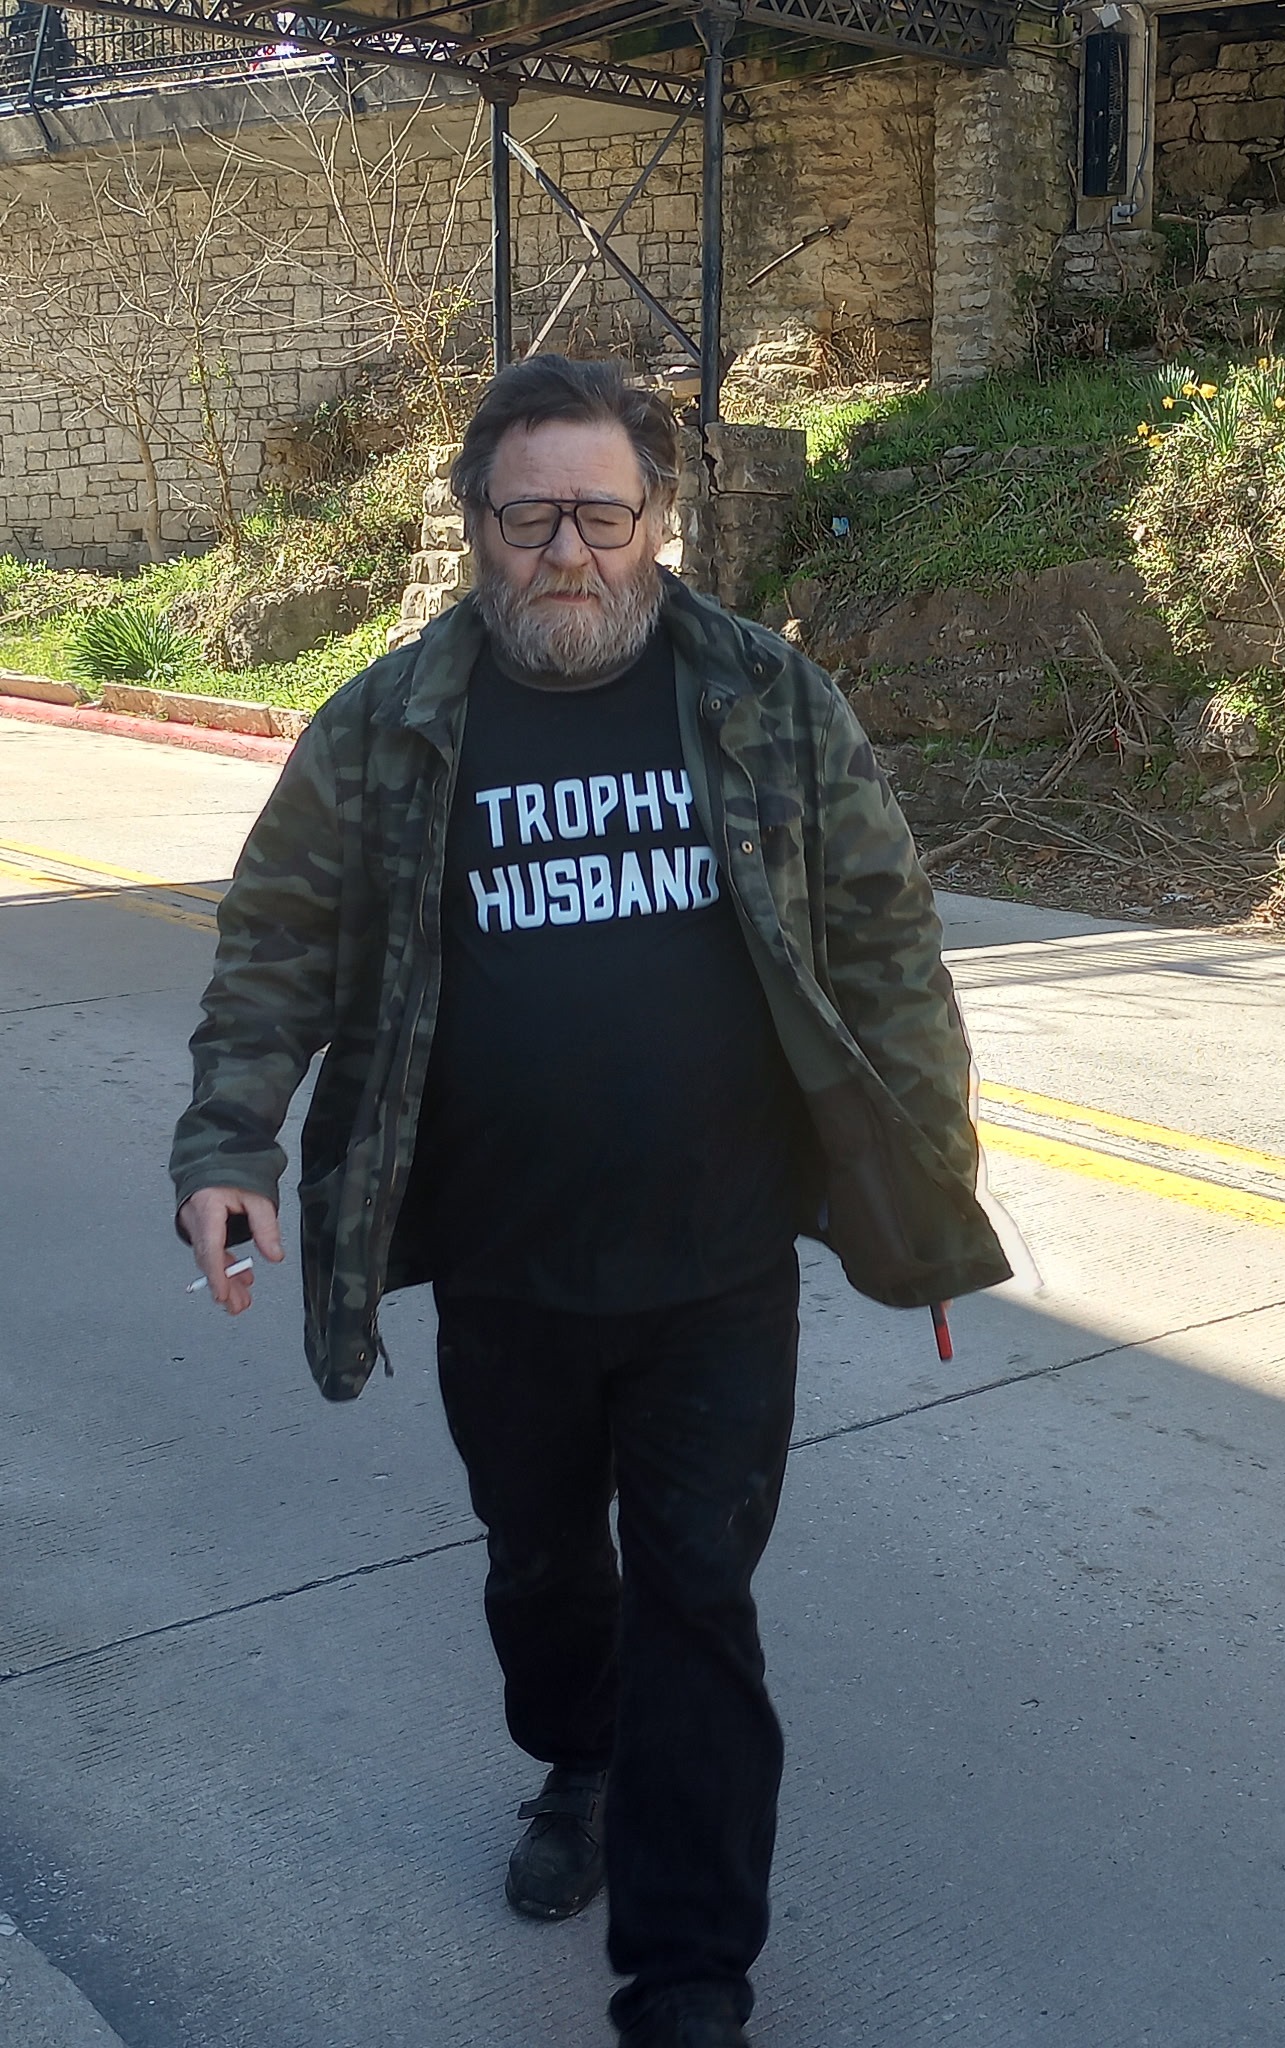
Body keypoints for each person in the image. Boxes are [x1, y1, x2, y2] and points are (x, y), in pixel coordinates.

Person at [170, 354, 1011, 2048]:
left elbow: (882, 940)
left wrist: (921, 1173)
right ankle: (575, 1759)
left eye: (602, 515)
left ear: (659, 517)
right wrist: (229, 1145)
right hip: (505, 1265)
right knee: (543, 1573)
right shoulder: (388, 723)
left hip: (717, 1265)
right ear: (474, 522)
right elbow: (276, 943)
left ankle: (687, 1984)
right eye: (530, 515)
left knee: (697, 1600)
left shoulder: (767, 697)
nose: (568, 550)